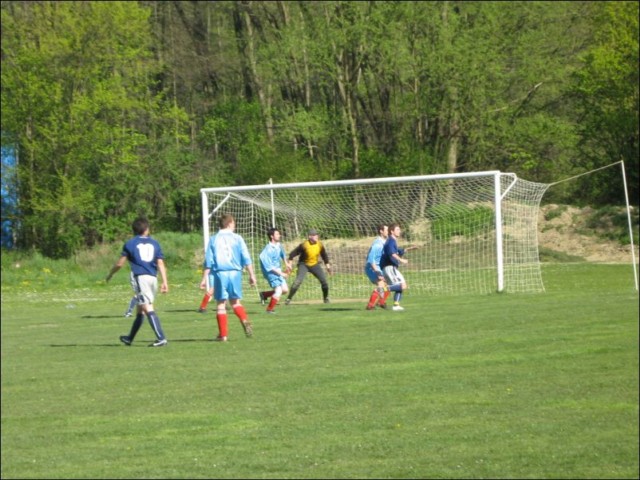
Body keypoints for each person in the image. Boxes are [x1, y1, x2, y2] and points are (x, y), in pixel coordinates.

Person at [106, 217, 169, 347]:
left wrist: (111, 273)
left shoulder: (130, 243)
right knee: (140, 309)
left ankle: (161, 338)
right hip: (153, 277)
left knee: (147, 307)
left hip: (141, 278)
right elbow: (160, 263)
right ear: (147, 229)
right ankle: (129, 338)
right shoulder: (155, 243)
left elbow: (120, 264)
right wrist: (165, 282)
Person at [201, 213, 257, 342]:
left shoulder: (214, 239)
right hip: (235, 273)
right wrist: (252, 275)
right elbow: (246, 257)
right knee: (235, 302)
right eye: (234, 222)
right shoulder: (238, 238)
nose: (234, 225)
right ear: (229, 223)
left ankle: (223, 335)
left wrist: (204, 278)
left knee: (221, 304)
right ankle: (244, 319)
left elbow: (208, 261)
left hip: (221, 273)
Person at [284, 229, 332, 305]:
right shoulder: (304, 245)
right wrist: (289, 265)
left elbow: (324, 255)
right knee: (297, 282)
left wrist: (328, 267)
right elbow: (292, 254)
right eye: (314, 235)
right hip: (303, 264)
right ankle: (288, 299)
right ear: (310, 236)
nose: (317, 236)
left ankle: (326, 298)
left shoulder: (320, 244)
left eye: (317, 235)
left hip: (314, 264)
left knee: (324, 281)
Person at [380, 223, 417, 311]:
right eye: (397, 229)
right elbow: (392, 254)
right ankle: (383, 289)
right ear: (392, 231)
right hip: (390, 267)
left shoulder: (392, 241)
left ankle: (396, 305)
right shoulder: (391, 241)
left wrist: (410, 248)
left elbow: (398, 251)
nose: (399, 231)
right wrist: (401, 260)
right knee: (402, 285)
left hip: (389, 268)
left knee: (401, 285)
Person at [258, 227, 290, 314]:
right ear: (272, 236)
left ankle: (264, 295)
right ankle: (269, 309)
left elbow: (282, 254)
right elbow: (269, 267)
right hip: (270, 272)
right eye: (277, 234)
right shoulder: (268, 249)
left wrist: (286, 263)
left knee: (285, 290)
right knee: (278, 290)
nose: (279, 235)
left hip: (277, 270)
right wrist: (281, 274)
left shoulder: (278, 245)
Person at [364, 224, 390, 310]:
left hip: (380, 267)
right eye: (387, 230)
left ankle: (381, 302)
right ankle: (370, 306)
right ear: (381, 231)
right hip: (372, 268)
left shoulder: (386, 242)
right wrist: (377, 272)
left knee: (388, 285)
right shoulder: (377, 244)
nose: (389, 232)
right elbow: (371, 259)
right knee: (381, 284)